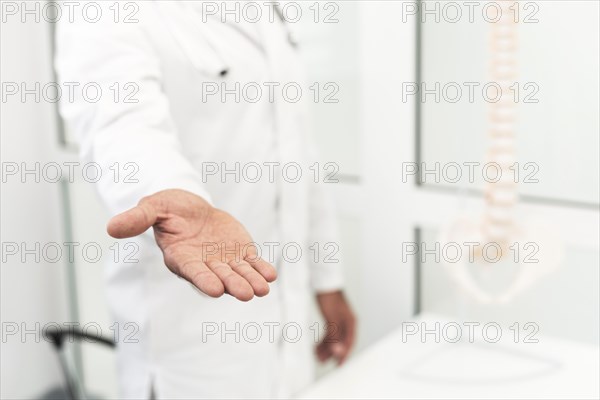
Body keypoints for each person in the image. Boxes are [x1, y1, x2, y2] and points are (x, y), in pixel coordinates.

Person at [55, 1, 355, 399]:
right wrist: (170, 190)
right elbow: (121, 124)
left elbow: (296, 152)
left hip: (284, 323)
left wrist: (327, 282)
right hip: (191, 350)